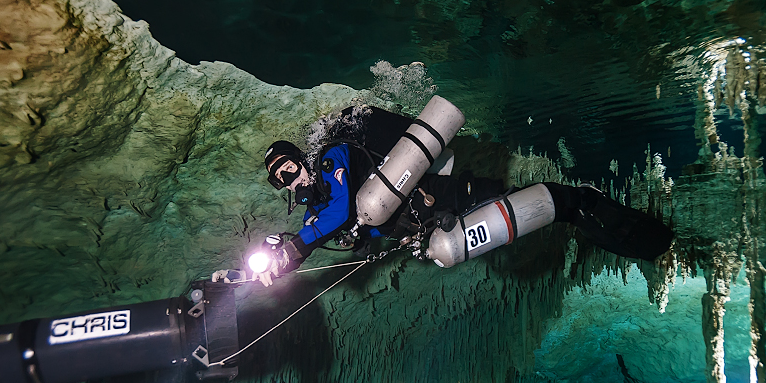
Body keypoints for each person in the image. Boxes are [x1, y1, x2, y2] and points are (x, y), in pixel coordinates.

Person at [255, 105, 673, 286]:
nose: (290, 181)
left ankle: (587, 202)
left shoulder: (331, 158)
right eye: (281, 181)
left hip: (439, 191)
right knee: (534, 213)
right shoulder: (319, 209)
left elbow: (344, 207)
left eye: (289, 169)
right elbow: (349, 226)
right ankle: (591, 216)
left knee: (520, 198)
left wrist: (298, 245)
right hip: (432, 224)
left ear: (301, 159)